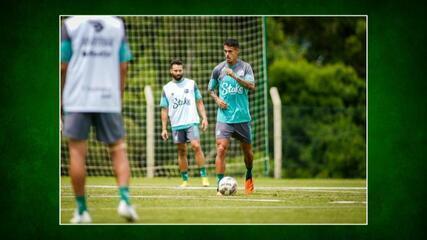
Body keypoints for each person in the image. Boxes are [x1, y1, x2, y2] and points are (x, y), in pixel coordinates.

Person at [61, 16, 138, 223]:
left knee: (77, 153)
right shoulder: (117, 25)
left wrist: (62, 95)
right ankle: (125, 202)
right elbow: (123, 66)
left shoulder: (70, 24)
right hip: (108, 98)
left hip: (77, 98)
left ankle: (81, 211)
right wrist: (118, 96)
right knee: (118, 150)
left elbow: (63, 65)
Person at [208, 38, 256, 195]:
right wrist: (217, 99)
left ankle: (249, 174)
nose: (227, 54)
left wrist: (234, 76)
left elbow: (251, 86)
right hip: (224, 118)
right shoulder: (218, 69)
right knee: (221, 149)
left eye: (230, 51)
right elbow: (210, 89)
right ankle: (219, 185)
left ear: (237, 51)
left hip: (242, 118)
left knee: (248, 153)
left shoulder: (245, 67)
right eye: (225, 51)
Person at [160, 59, 210, 187]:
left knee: (196, 146)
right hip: (176, 124)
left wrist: (204, 117)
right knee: (181, 151)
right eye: (175, 70)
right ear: (171, 71)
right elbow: (164, 110)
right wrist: (164, 128)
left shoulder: (191, 84)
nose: (178, 72)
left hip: (191, 122)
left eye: (180, 70)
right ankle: (185, 180)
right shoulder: (166, 88)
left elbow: (199, 102)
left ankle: (204, 177)